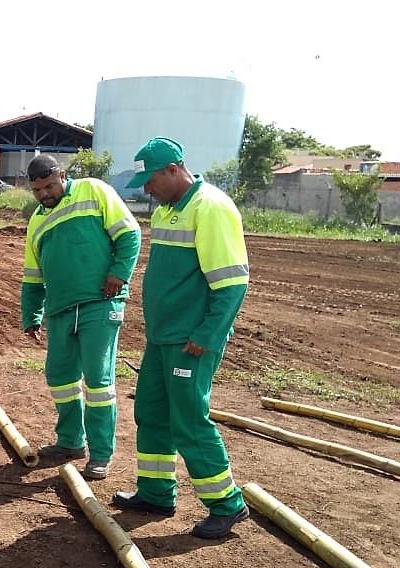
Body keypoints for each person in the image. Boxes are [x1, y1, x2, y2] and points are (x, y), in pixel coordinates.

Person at [112, 137, 250, 538]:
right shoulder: (168, 210)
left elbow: (232, 282)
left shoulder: (211, 207)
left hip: (191, 339)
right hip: (162, 337)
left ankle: (227, 504)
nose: (146, 189)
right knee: (152, 412)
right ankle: (156, 493)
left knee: (189, 420)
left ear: (174, 169)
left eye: (150, 180)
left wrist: (207, 334)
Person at [21, 154, 141, 480]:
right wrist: (31, 315)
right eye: (37, 190)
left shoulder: (94, 191)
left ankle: (100, 455)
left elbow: (129, 235)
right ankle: (71, 442)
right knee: (59, 378)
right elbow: (33, 275)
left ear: (62, 175)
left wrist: (119, 273)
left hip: (100, 303)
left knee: (98, 382)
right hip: (60, 310)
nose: (44, 194)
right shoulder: (37, 221)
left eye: (49, 186)